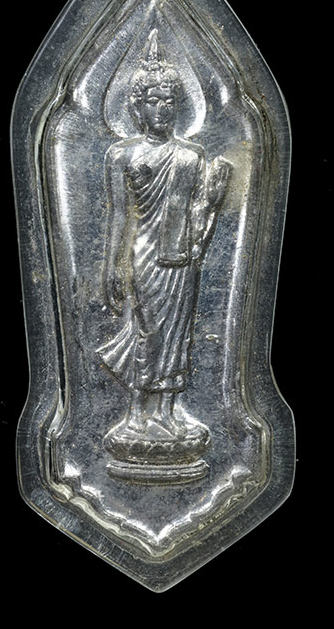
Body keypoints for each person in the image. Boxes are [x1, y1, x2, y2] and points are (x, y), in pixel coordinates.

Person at [97, 29, 230, 443]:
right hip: (145, 257)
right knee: (149, 332)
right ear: (137, 106)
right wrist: (111, 267)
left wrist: (212, 201)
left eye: (170, 101)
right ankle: (138, 415)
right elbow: (120, 216)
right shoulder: (123, 154)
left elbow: (196, 217)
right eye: (154, 100)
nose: (162, 109)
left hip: (181, 258)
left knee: (177, 335)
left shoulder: (191, 155)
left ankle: (168, 412)